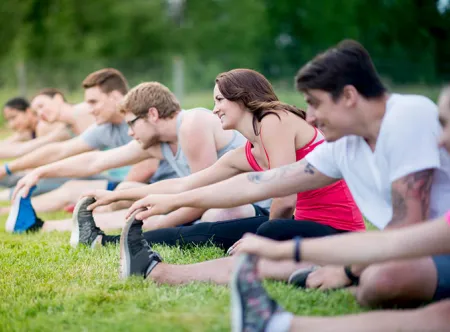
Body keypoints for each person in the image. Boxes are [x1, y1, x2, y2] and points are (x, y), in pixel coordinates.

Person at [112, 40, 450, 309]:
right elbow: (265, 182)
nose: (311, 118)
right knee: (269, 248)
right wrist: (170, 199)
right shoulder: (342, 146)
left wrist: (347, 269)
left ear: (348, 96)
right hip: (398, 250)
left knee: (379, 280)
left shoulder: (407, 115)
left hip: (423, 251)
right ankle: (157, 272)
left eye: (315, 103)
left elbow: (410, 227)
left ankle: (318, 283)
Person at [74, 68, 363, 253]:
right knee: (205, 231)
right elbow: (187, 184)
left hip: (338, 231)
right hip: (300, 223)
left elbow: (285, 199)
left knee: (267, 229)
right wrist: (117, 195)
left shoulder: (275, 120)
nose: (215, 110)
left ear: (242, 98)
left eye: (220, 101)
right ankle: (104, 242)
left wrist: (266, 240)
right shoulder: (246, 151)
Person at [7, 80, 251, 236]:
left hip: (249, 206)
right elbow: (94, 162)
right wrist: (39, 172)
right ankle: (43, 227)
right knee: (135, 195)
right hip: (204, 198)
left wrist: (158, 223)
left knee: (214, 214)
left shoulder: (191, 124)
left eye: (132, 124)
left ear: (153, 114)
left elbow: (203, 196)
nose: (130, 133)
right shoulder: (158, 141)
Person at [4, 68, 139, 232]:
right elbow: (62, 151)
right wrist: (37, 171)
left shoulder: (139, 119)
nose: (89, 109)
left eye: (93, 102)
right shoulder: (104, 126)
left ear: (115, 97)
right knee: (72, 187)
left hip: (153, 188)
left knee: (119, 193)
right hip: (126, 182)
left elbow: (145, 167)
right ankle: (21, 217)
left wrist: (113, 198)